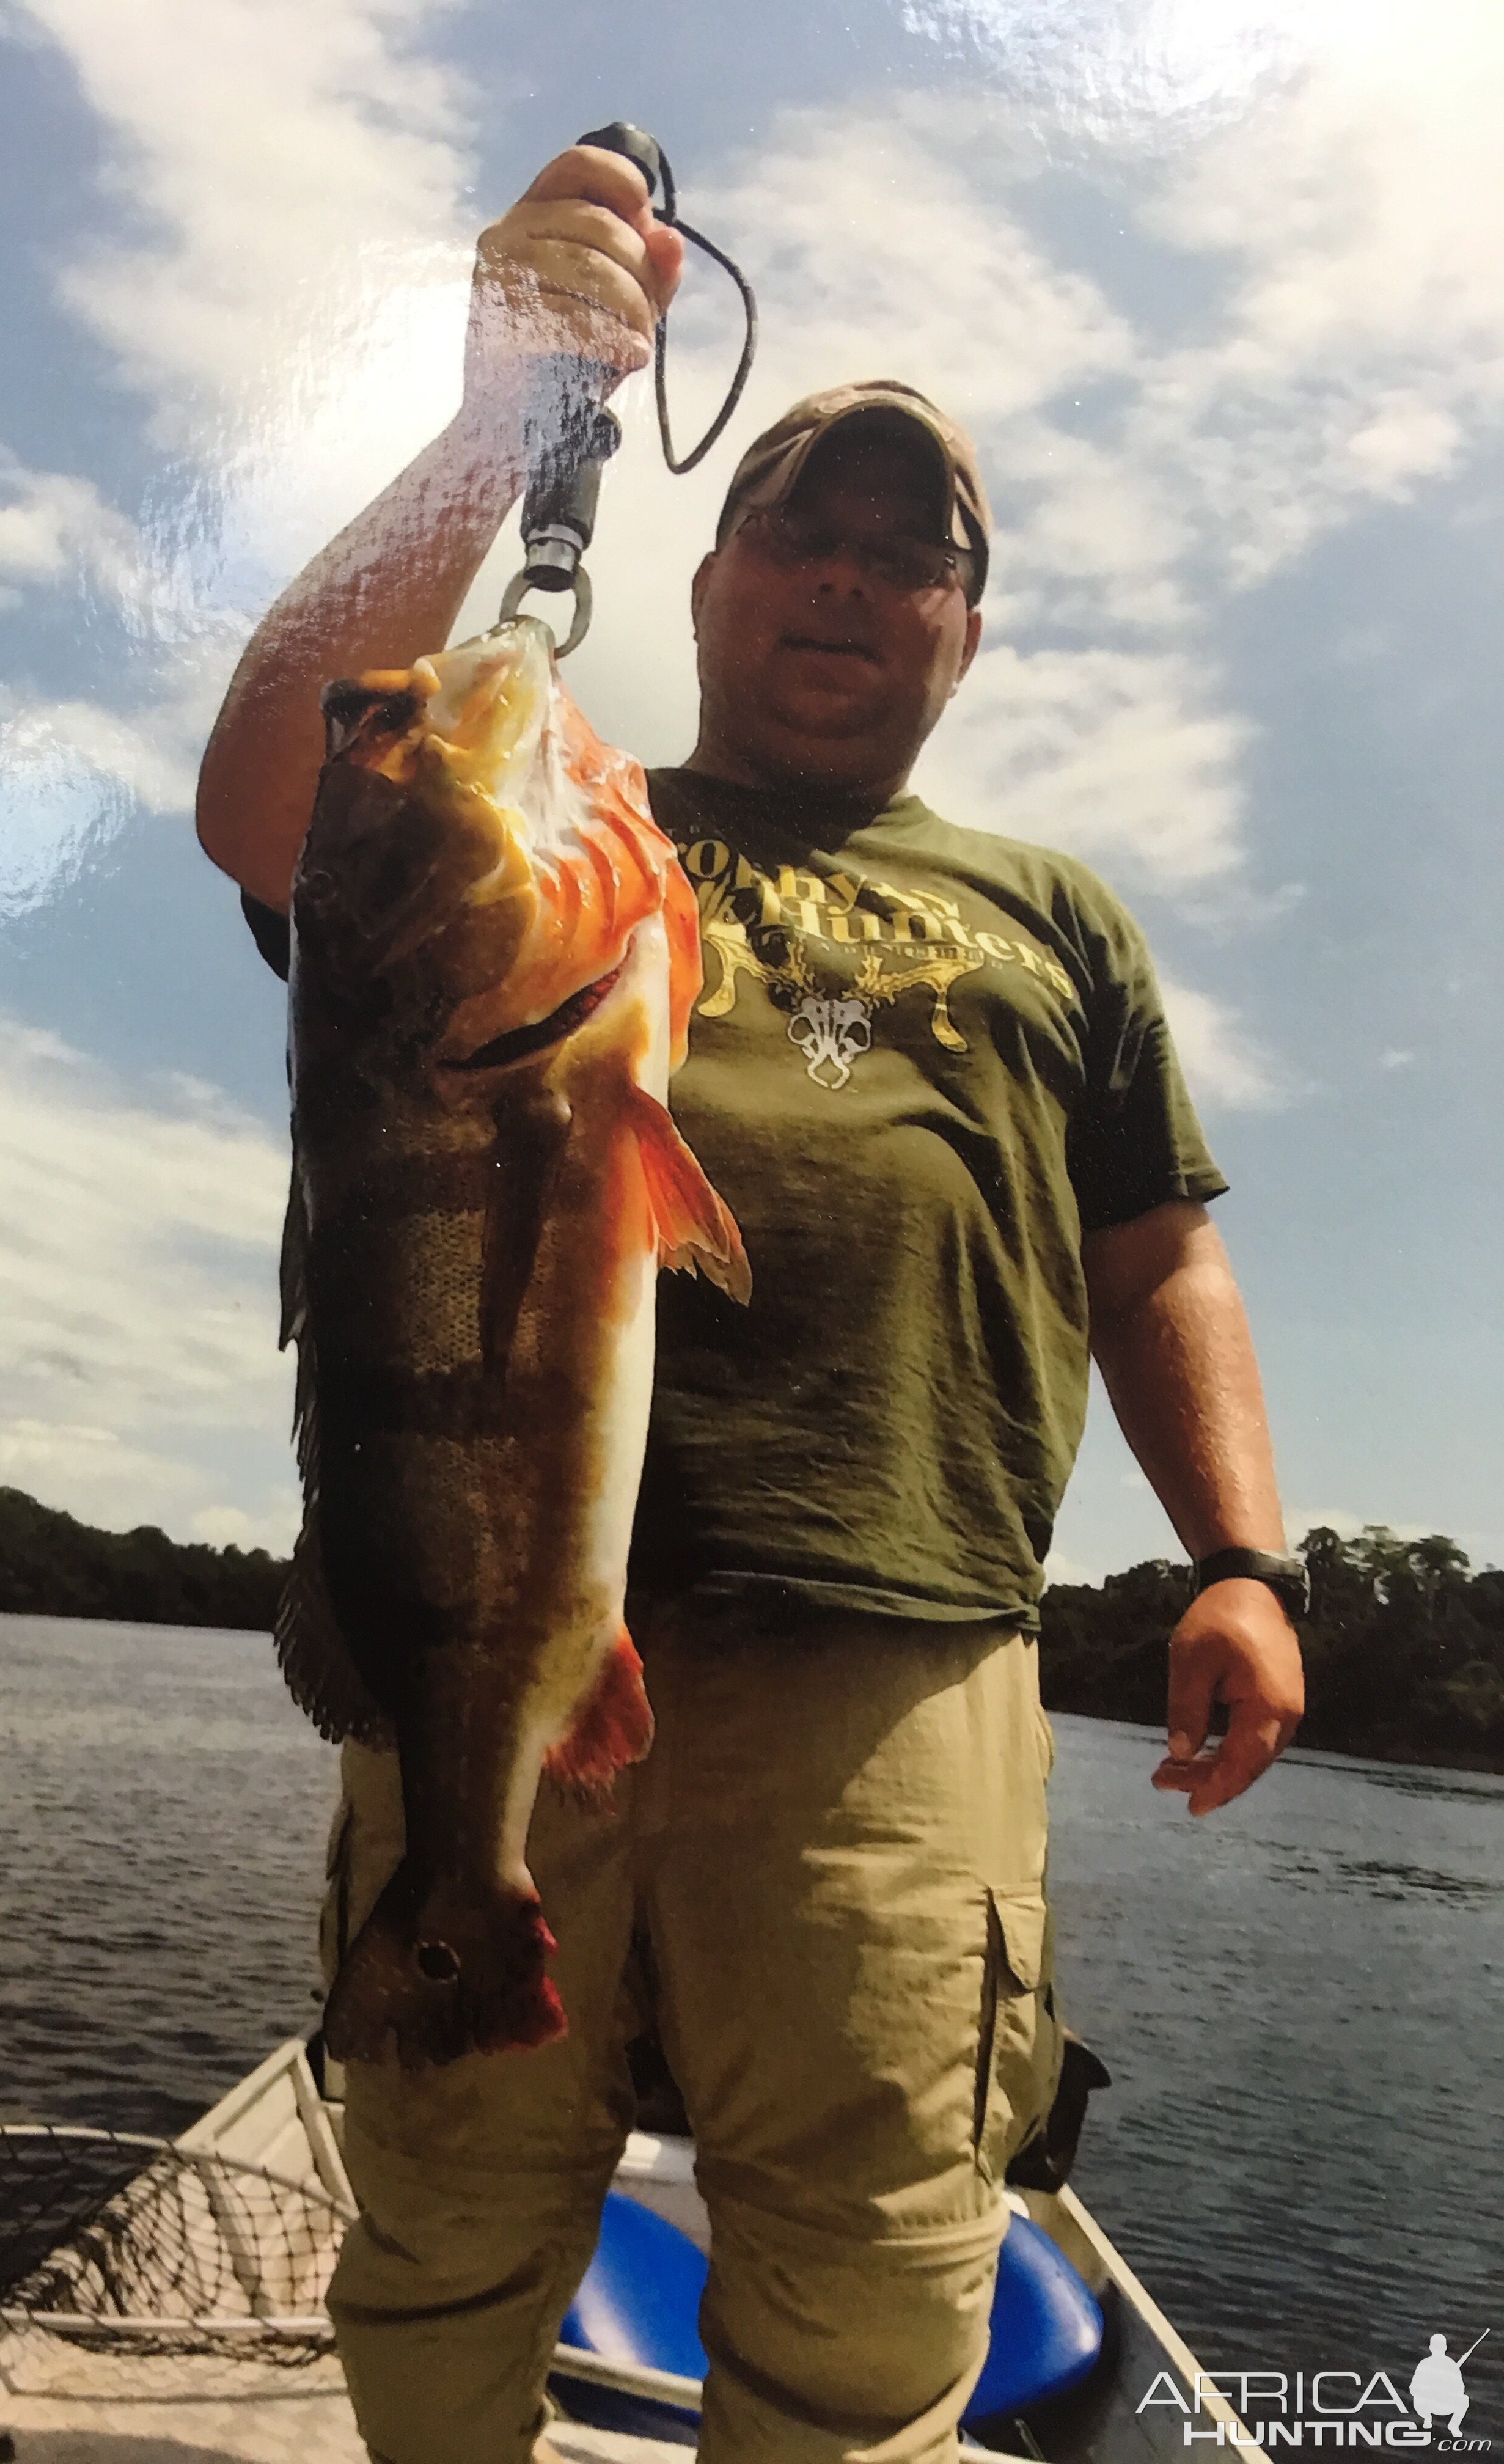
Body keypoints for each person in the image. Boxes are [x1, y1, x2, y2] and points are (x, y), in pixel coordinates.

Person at [196, 144, 1307, 2464]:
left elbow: (1158, 1251)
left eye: (914, 554)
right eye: (804, 526)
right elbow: (280, 775)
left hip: (899, 1664)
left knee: (874, 2275)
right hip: (476, 1623)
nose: (850, 576)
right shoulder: (564, 814)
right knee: (446, 2216)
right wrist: (508, 418)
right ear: (706, 578)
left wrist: (1239, 1555)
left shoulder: (1057, 914)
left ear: (969, 635)